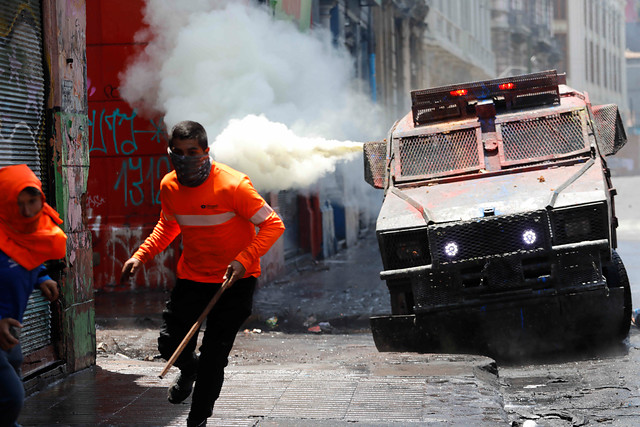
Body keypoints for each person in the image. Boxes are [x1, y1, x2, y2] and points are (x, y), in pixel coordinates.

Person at [120, 120, 285, 427]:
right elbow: (168, 226)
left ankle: (197, 420)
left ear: (206, 151)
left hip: (234, 283)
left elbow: (273, 224)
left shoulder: (234, 185)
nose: (184, 158)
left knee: (214, 357)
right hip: (192, 279)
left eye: (192, 151)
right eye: (178, 152)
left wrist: (243, 259)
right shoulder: (169, 185)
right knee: (170, 345)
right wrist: (141, 255)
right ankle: (188, 369)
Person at [0, 164, 67, 427]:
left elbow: (24, 254)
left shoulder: (24, 232)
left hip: (10, 335)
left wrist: (41, 277)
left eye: (33, 201)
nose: (27, 211)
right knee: (12, 397)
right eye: (19, 203)